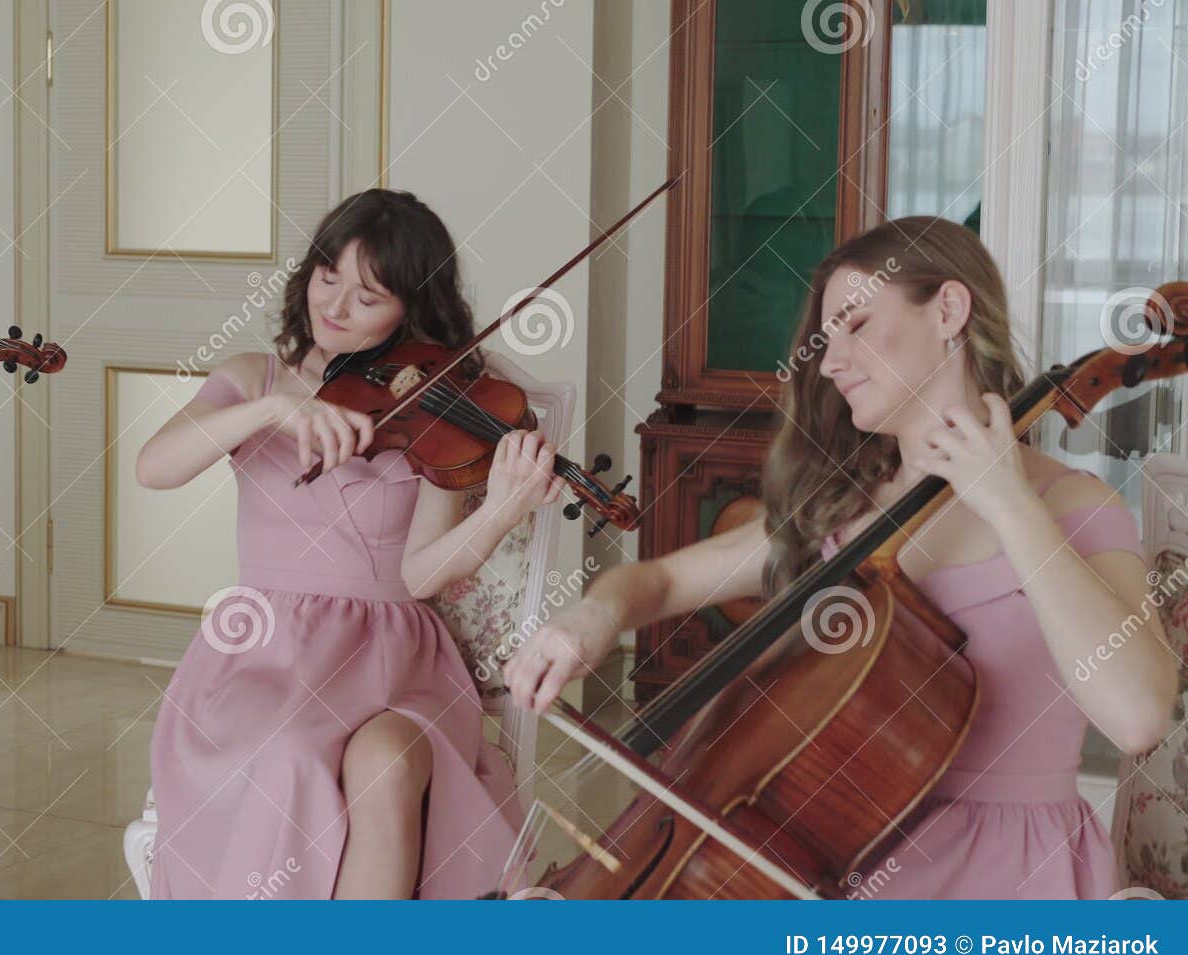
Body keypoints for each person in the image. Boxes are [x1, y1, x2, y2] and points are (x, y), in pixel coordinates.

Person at [504, 216, 1178, 898]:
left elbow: (1138, 718)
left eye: (855, 325)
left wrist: (1012, 506)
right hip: (833, 863)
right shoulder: (844, 507)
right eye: (826, 340)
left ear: (948, 310)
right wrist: (590, 616)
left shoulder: (1073, 508)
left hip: (1008, 879)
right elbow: (658, 579)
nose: (828, 363)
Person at [138, 189, 561, 898]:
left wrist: (503, 510)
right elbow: (154, 468)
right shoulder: (252, 377)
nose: (333, 305)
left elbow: (423, 573)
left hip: (393, 656)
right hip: (263, 654)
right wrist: (272, 409)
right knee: (293, 754)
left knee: (390, 761)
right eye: (327, 275)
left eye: (368, 296)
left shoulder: (433, 408)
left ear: (411, 311)